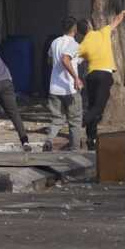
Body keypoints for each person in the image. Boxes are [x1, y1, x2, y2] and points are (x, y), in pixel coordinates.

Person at [76, 10, 125, 149]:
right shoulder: (102, 32)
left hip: (91, 76)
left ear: (80, 33)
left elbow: (74, 60)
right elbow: (115, 22)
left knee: (92, 106)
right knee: (98, 108)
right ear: (89, 26)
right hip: (104, 75)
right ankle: (81, 122)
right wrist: (123, 14)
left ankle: (91, 138)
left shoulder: (82, 44)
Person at [45, 17, 84, 152]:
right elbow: (65, 60)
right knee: (75, 121)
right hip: (70, 89)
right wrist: (76, 78)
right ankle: (74, 149)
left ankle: (49, 140)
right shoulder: (74, 44)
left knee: (57, 119)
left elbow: (50, 60)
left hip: (54, 87)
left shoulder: (55, 42)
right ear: (75, 29)